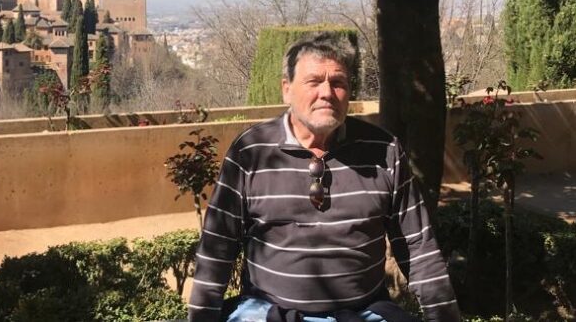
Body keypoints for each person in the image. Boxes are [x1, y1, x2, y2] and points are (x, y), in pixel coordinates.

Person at [188, 33, 460, 322]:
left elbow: (418, 247)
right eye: (314, 81)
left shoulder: (384, 151)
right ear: (286, 89)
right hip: (268, 313)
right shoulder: (250, 151)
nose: (327, 92)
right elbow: (218, 248)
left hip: (363, 313)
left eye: (338, 82)